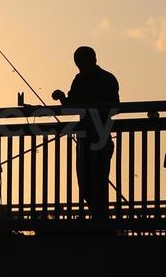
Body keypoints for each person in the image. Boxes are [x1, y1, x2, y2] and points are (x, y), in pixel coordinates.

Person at [51, 47, 119, 221]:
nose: (80, 66)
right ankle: (98, 219)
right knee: (85, 184)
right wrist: (61, 98)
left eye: (82, 62)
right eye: (78, 63)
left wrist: (92, 107)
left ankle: (100, 221)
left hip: (101, 137)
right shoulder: (79, 80)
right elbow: (69, 107)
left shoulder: (107, 78)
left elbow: (115, 106)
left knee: (99, 181)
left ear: (94, 59)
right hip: (84, 140)